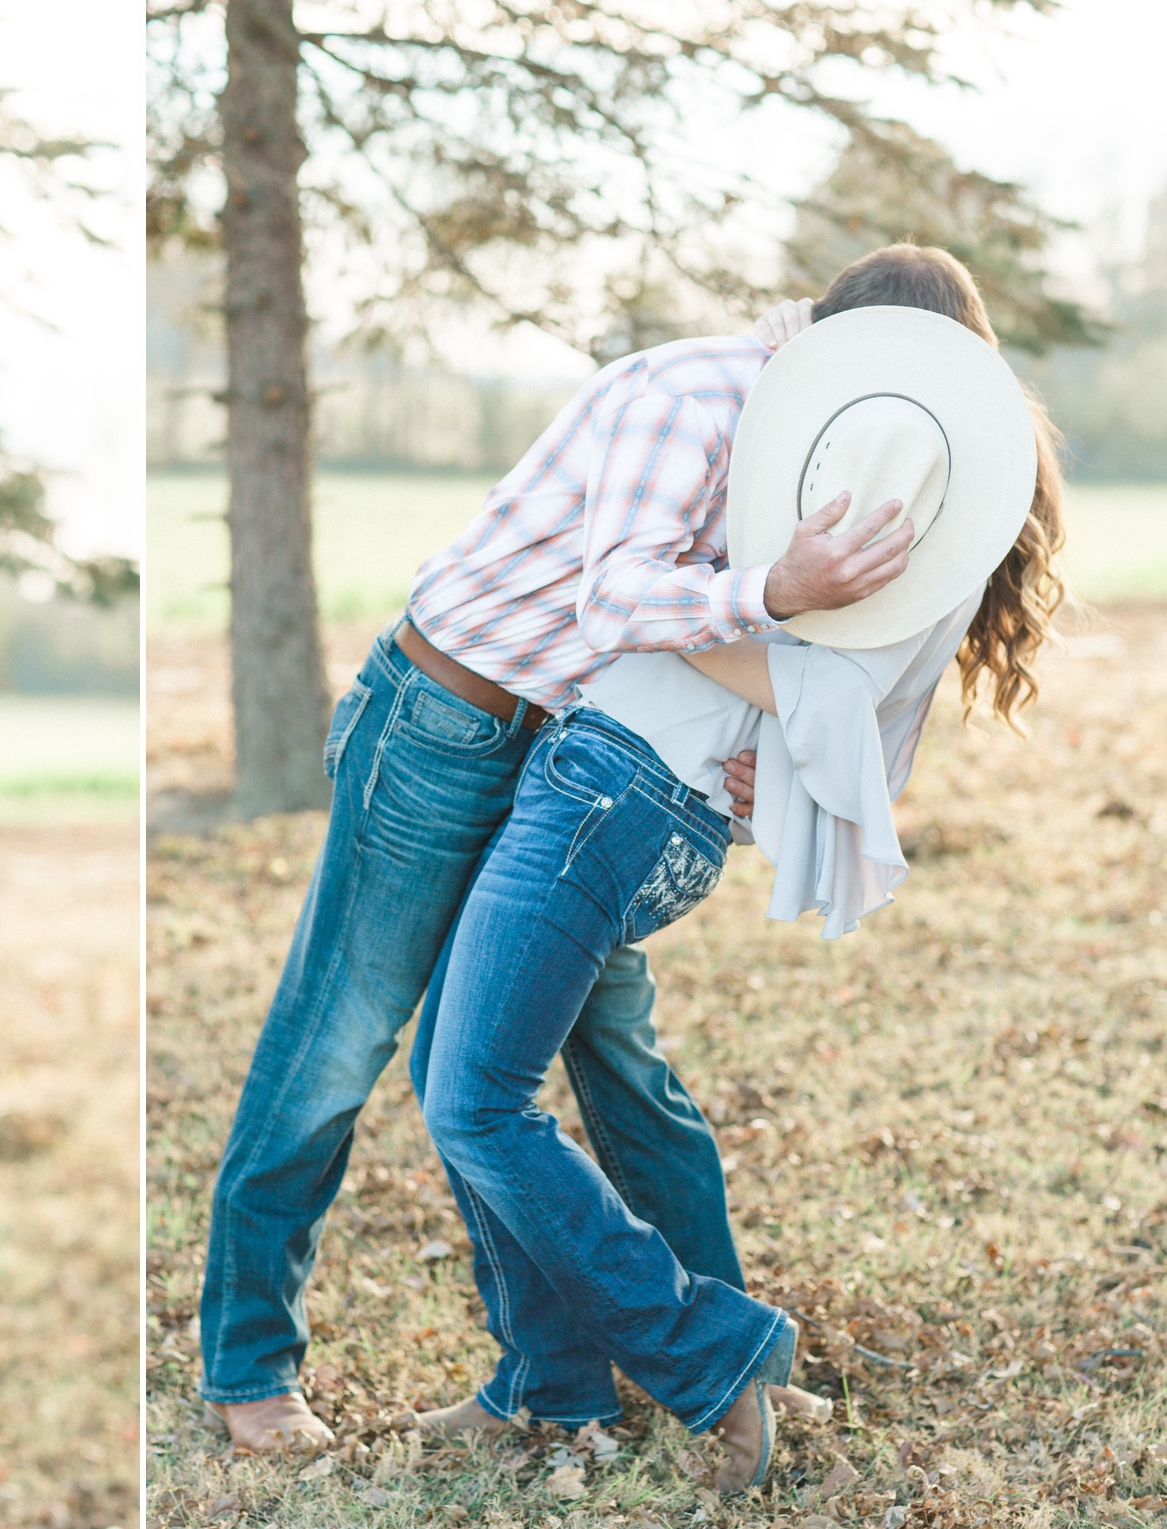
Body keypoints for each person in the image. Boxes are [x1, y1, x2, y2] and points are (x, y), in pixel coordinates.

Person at [198, 249, 955, 1454]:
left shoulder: (826, 454)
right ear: (826, 346)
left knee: (618, 1061)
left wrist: (770, 766)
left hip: (582, 764)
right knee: (339, 1035)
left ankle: (687, 1360)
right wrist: (775, 585)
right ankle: (248, 1365)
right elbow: (618, 601)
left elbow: (749, 659)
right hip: (450, 723)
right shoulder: (691, 399)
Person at [418, 249, 1063, 1493]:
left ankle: (716, 1355)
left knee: (473, 1099)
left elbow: (757, 657)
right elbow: (843, 710)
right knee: (504, 1064)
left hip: (607, 787)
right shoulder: (927, 515)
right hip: (649, 806)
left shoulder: (840, 509)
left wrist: (735, 600)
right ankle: (547, 1385)